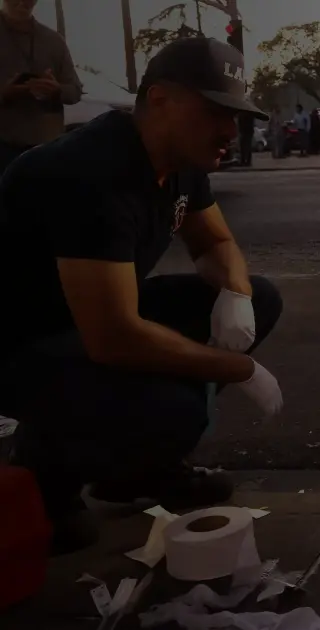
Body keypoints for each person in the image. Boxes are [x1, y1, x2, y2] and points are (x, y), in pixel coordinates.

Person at [0, 37, 284, 555]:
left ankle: (136, 469)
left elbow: (215, 243)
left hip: (89, 319)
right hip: (22, 343)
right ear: (160, 100)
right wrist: (239, 369)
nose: (230, 130)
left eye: (235, 115)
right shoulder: (89, 172)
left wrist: (236, 295)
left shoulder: (181, 159)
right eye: (216, 112)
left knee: (261, 298)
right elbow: (114, 338)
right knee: (173, 410)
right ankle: (45, 470)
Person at [0, 0, 83, 173]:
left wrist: (57, 90)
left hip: (46, 149)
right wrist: (4, 93)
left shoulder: (53, 40)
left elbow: (75, 90)